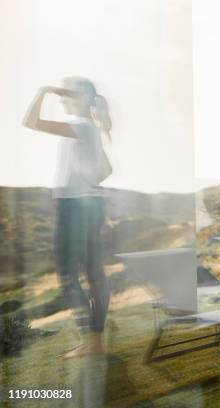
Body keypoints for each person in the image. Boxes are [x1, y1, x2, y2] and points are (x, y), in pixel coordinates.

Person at [23, 77, 112, 358]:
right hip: (89, 205)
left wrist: (43, 90)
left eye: (66, 93)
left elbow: (30, 122)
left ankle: (91, 342)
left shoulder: (82, 126)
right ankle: (94, 342)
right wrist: (86, 181)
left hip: (73, 208)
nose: (61, 98)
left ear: (80, 96)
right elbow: (106, 169)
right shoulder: (90, 129)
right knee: (94, 274)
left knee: (68, 276)